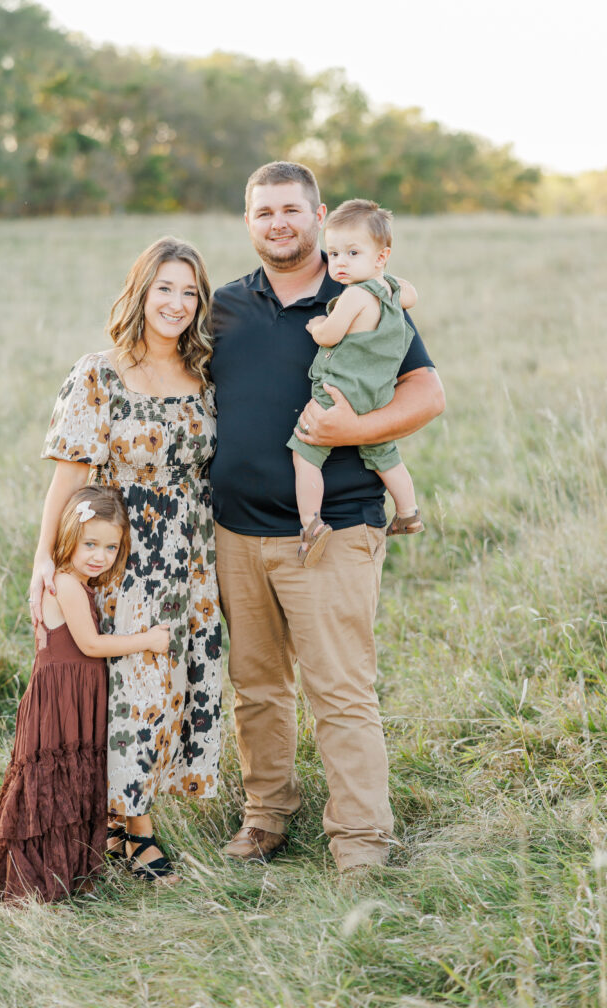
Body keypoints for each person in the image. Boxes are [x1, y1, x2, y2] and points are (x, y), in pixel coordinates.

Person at [210, 162, 444, 872]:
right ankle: (266, 818)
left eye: (291, 209)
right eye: (263, 212)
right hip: (236, 531)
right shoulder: (222, 305)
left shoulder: (361, 294)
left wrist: (353, 432)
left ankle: (362, 841)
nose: (278, 222)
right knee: (256, 688)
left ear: (318, 218)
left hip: (335, 527)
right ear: (249, 223)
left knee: (339, 689)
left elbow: (427, 393)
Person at [29, 237, 222, 884]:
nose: (176, 303)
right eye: (164, 288)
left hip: (192, 556)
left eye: (189, 292)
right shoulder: (99, 373)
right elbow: (68, 483)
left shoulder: (204, 375)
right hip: (123, 555)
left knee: (175, 685)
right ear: (141, 292)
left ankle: (126, 810)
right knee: (136, 685)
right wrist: (45, 567)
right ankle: (132, 828)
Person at [0, 485, 170, 902]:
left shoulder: (80, 582)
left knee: (70, 781)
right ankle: (40, 881)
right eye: (90, 543)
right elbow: (90, 646)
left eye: (110, 546)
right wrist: (148, 640)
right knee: (54, 782)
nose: (99, 556)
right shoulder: (66, 583)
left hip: (75, 696)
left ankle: (66, 872)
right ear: (68, 535)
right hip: (60, 700)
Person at [288, 198, 424, 567]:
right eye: (333, 253)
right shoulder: (393, 290)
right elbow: (412, 293)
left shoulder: (354, 294)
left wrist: (316, 326)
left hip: (339, 394)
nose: (341, 263)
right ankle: (409, 511)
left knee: (306, 455)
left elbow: (330, 335)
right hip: (377, 395)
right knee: (384, 454)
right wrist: (391, 279)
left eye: (352, 252)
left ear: (380, 257)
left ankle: (311, 524)